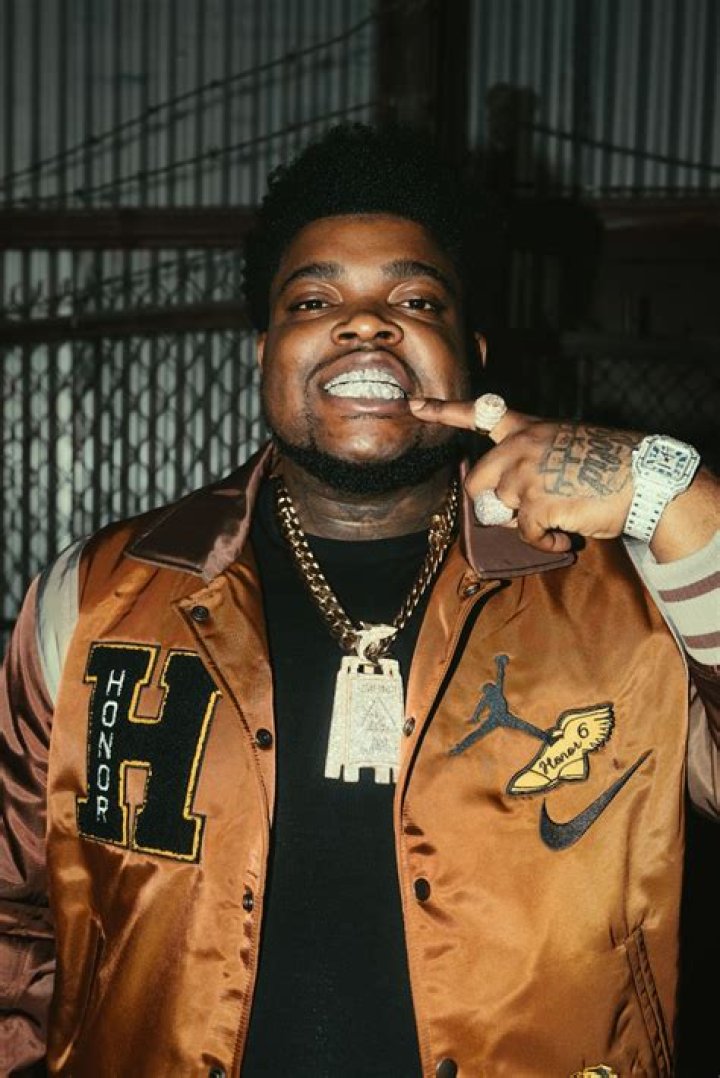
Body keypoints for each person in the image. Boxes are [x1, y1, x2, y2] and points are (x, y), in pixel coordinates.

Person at [1, 123, 717, 1078]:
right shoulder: (98, 595)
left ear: (470, 354)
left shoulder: (634, 596)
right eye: (315, 299)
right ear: (265, 351)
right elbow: (13, 912)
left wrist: (680, 497)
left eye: (416, 300)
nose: (367, 325)